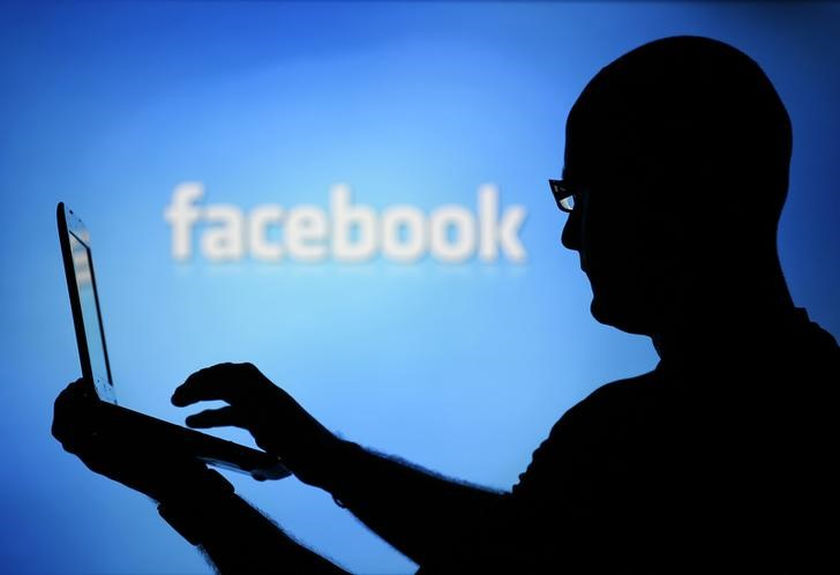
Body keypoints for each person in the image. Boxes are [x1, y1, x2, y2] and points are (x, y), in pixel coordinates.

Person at [53, 36, 838, 573]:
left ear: (678, 191)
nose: (571, 240)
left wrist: (188, 493)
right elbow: (511, 551)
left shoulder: (633, 439)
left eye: (580, 196)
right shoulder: (793, 404)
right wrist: (318, 453)